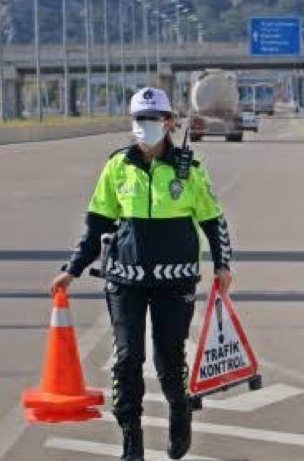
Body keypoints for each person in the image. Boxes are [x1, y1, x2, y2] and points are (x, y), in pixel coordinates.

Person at [49, 87, 233, 461]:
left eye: (152, 119)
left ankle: (180, 411)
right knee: (127, 358)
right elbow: (95, 223)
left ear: (168, 122)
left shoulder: (189, 168)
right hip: (124, 280)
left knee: (168, 359)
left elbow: (213, 221)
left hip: (175, 280)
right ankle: (131, 439)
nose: (145, 126)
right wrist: (72, 269)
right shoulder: (117, 166)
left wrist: (222, 264)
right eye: (139, 120)